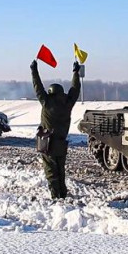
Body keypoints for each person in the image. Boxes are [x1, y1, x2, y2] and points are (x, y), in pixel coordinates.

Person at [30, 59, 81, 199]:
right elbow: (75, 90)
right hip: (61, 142)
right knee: (60, 170)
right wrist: (76, 72)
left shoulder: (47, 102)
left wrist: (34, 70)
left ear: (51, 92)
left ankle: (56, 196)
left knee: (51, 171)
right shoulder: (68, 103)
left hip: (48, 143)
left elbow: (37, 87)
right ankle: (62, 194)